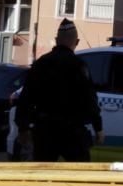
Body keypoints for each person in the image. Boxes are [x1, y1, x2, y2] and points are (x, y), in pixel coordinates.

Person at [15, 19, 103, 161]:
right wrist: (98, 128)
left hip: (45, 131)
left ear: (56, 40)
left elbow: (26, 98)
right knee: (79, 175)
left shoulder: (41, 64)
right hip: (73, 132)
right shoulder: (79, 65)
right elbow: (90, 100)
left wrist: (23, 128)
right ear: (77, 42)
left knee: (44, 175)